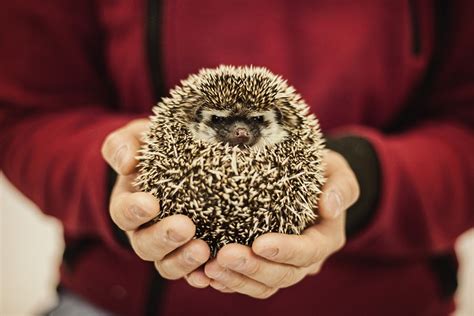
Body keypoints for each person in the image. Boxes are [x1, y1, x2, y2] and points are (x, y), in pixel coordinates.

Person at [0, 1, 473, 315]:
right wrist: (118, 178)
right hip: (119, 297)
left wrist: (364, 181)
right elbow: (27, 115)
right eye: (222, 123)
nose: (240, 134)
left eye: (254, 126)